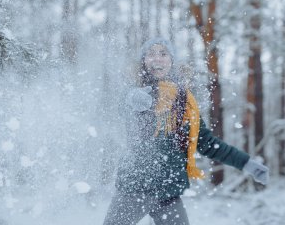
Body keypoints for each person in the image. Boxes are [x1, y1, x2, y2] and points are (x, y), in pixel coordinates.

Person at [103, 38, 269, 225]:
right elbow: (123, 106)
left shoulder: (185, 103)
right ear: (143, 61)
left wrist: (246, 163)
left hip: (168, 193)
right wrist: (134, 99)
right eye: (151, 54)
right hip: (133, 189)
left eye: (163, 53)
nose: (157, 58)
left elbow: (209, 144)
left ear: (172, 61)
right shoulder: (135, 91)